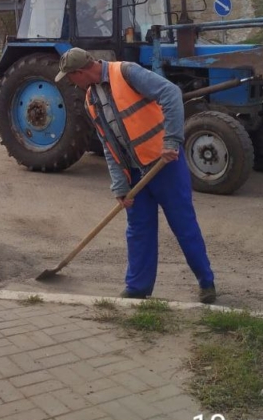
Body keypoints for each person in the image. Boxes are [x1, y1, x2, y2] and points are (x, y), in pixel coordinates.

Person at [56, 47, 217, 304]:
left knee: (183, 225)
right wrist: (119, 185)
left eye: (70, 77)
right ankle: (137, 288)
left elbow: (171, 93)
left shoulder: (126, 72)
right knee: (138, 230)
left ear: (80, 72)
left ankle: (206, 282)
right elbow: (108, 144)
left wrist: (172, 140)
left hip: (164, 165)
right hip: (133, 173)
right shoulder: (91, 100)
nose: (71, 83)